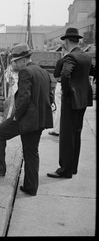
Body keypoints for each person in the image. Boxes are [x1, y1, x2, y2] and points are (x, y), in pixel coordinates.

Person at [0, 43, 54, 196]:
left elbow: (24, 97)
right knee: (31, 152)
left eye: (15, 61)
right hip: (40, 120)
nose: (14, 64)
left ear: (23, 60)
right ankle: (31, 187)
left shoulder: (25, 72)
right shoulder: (43, 72)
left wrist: (17, 115)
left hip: (27, 119)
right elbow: (50, 95)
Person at [47, 27, 96, 179]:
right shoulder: (86, 57)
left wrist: (67, 92)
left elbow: (65, 74)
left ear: (67, 41)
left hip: (71, 101)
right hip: (83, 101)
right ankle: (72, 168)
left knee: (67, 136)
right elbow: (93, 71)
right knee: (76, 134)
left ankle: (64, 170)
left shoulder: (70, 57)